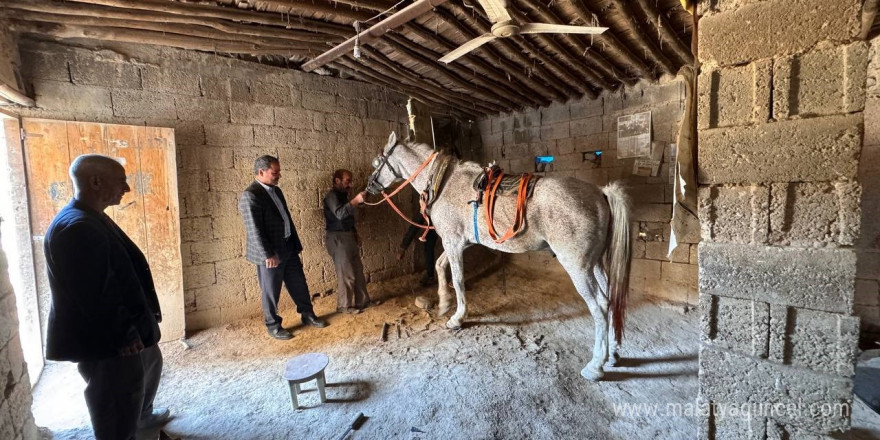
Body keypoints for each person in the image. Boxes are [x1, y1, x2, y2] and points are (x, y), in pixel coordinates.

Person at [44, 154, 170, 439]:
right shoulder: (76, 227)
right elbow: (95, 294)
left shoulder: (91, 217)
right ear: (96, 181)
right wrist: (124, 335)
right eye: (121, 181)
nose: (126, 188)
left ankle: (142, 419)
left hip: (126, 326)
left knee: (149, 364)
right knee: (116, 397)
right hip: (106, 339)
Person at [239, 155, 327, 340]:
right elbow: (254, 229)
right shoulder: (250, 195)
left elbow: (285, 218)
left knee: (299, 283)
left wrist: (294, 243)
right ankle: (273, 326)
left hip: (288, 247)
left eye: (278, 171)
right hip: (270, 253)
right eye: (275, 172)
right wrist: (268, 254)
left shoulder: (276, 191)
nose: (279, 175)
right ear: (261, 172)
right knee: (271, 290)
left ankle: (307, 314)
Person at [323, 169, 380, 313]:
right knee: (346, 274)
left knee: (358, 272)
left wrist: (355, 233)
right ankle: (344, 306)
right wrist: (355, 201)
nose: (350, 183)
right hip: (338, 239)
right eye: (347, 180)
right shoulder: (331, 196)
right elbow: (340, 214)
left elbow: (348, 217)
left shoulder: (343, 196)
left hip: (348, 237)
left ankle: (363, 301)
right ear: (337, 181)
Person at [396, 211, 439, 287]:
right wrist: (403, 248)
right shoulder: (424, 209)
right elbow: (414, 226)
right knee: (428, 245)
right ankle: (430, 275)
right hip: (432, 223)